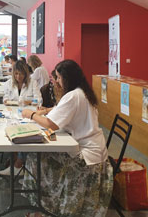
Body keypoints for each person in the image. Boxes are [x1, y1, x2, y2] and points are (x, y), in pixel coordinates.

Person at [21, 60, 113, 216]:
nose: (56, 81)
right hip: (96, 151)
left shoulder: (73, 96)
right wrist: (47, 109)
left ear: (67, 78)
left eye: (58, 77)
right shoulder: (82, 92)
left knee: (36, 158)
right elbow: (62, 110)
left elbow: (51, 124)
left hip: (87, 158)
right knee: (39, 157)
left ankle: (45, 207)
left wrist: (31, 114)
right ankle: (47, 206)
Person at [0, 60, 41, 176]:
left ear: (26, 74)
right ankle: (16, 161)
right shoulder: (8, 83)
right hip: (12, 114)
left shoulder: (32, 82)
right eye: (16, 74)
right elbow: (5, 99)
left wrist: (26, 101)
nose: (18, 77)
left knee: (24, 135)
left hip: (29, 116)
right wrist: (8, 101)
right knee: (11, 133)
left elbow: (39, 100)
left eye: (21, 74)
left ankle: (18, 165)